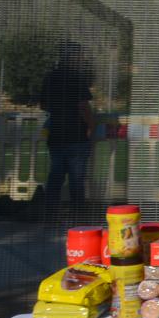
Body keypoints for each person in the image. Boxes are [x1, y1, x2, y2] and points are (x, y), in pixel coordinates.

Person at [40, 42, 96, 211]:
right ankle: (78, 212)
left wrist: (59, 109)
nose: (82, 59)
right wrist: (91, 125)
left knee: (56, 175)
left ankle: (50, 210)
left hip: (56, 133)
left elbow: (43, 105)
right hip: (76, 133)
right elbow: (83, 106)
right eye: (80, 56)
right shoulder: (76, 77)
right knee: (76, 177)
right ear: (72, 57)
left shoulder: (50, 77)